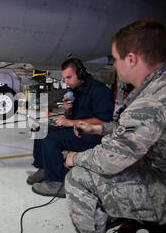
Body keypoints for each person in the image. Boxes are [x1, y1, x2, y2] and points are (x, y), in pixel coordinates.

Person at [47, 18, 166, 233]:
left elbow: (109, 161)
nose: (114, 64)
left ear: (131, 59)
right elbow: (136, 131)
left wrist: (74, 158)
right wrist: (99, 129)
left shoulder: (152, 101)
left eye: (116, 58)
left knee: (80, 178)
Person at [28, 58, 114, 198]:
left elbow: (103, 121)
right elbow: (71, 116)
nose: (66, 82)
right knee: (40, 128)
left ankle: (57, 182)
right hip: (75, 129)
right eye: (64, 78)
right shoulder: (77, 90)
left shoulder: (101, 91)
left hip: (90, 136)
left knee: (50, 139)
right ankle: (44, 167)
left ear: (80, 73)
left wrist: (70, 122)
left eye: (69, 77)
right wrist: (68, 110)